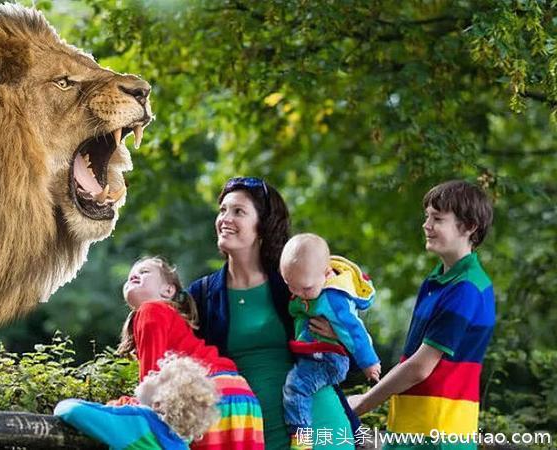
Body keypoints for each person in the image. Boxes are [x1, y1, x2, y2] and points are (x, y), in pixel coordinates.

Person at [188, 177, 356, 450]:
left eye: (238, 211)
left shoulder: (293, 283)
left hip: (316, 424)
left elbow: (354, 351)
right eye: (223, 210)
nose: (225, 218)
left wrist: (339, 337)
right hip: (250, 432)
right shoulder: (202, 295)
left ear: (262, 226)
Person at [348, 180, 495, 449]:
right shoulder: (437, 280)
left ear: (470, 226)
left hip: (438, 433)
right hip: (412, 428)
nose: (426, 225)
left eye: (437, 218)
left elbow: (419, 367)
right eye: (427, 216)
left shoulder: (467, 288)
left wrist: (361, 403)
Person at [118, 256, 265, 450]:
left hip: (208, 396)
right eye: (130, 276)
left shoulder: (150, 310)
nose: (134, 275)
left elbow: (152, 381)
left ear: (168, 290)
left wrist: (130, 404)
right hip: (240, 395)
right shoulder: (168, 317)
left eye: (144, 272)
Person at [280, 233, 381, 448]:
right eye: (291, 286)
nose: (299, 294)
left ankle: (302, 439)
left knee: (296, 388)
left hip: (329, 358)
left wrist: (368, 362)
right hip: (316, 353)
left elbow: (355, 331)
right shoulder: (308, 286)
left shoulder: (334, 299)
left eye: (305, 288)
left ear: (326, 274)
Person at [54, 354, 219, 450]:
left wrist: (117, 410)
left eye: (158, 376)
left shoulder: (138, 421)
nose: (152, 372)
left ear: (158, 404)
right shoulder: (181, 442)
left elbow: (71, 410)